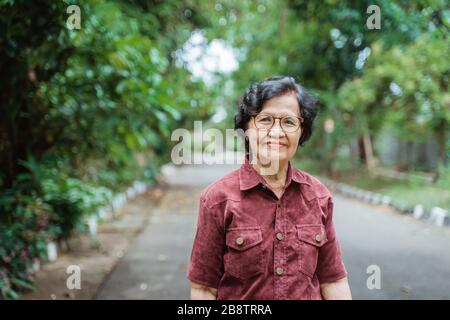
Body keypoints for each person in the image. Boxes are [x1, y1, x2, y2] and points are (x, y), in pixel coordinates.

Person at [187, 76, 352, 300]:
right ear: (247, 126)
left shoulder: (318, 196)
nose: (276, 131)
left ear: (301, 131)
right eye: (265, 120)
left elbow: (333, 281)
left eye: (289, 122)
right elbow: (204, 289)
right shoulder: (217, 199)